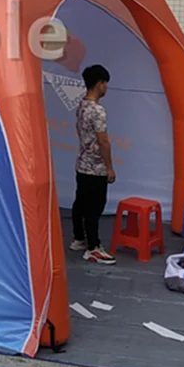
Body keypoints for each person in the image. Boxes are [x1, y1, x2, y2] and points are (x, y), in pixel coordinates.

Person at [69, 64, 117, 264]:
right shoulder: (98, 111)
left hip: (82, 164)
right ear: (100, 84)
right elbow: (103, 141)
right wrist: (109, 167)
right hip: (96, 169)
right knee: (94, 208)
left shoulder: (82, 106)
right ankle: (93, 248)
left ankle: (78, 238)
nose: (106, 88)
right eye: (105, 83)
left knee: (80, 203)